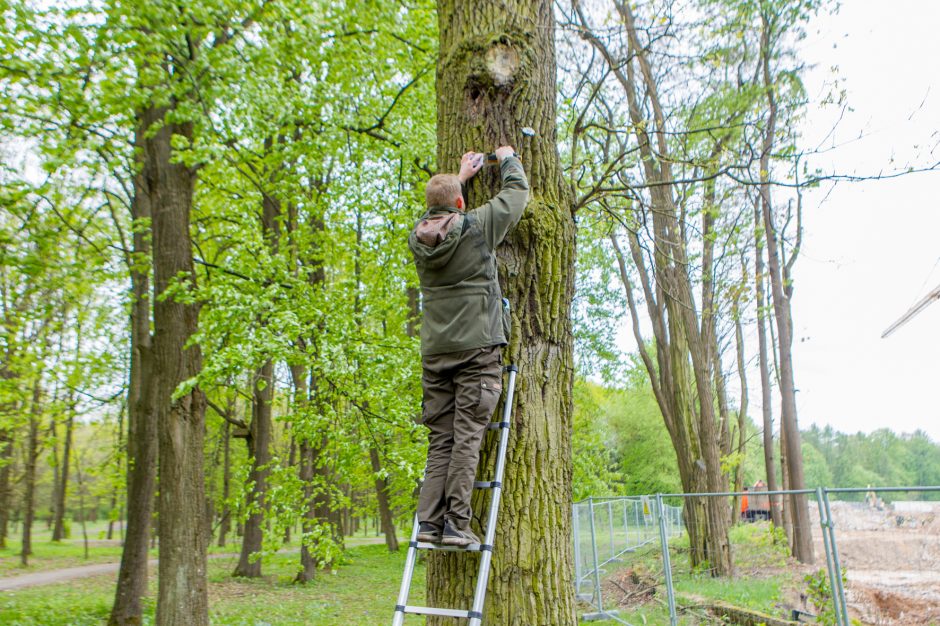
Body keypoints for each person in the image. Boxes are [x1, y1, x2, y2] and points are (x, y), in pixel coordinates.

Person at [408, 145, 528, 547]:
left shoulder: (418, 239)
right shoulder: (476, 227)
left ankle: (429, 524)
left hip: (435, 353)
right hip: (476, 349)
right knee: (467, 436)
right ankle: (457, 524)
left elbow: (441, 210)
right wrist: (508, 158)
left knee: (442, 438)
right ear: (461, 202)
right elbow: (516, 196)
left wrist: (459, 178)